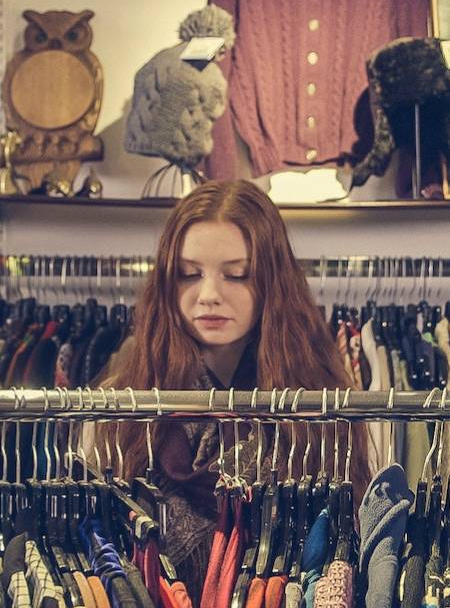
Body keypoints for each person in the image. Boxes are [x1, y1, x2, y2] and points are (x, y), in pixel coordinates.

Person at [95, 179, 369, 595]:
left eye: (236, 275)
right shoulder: (126, 404)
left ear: (270, 282)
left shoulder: (318, 406)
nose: (208, 295)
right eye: (189, 274)